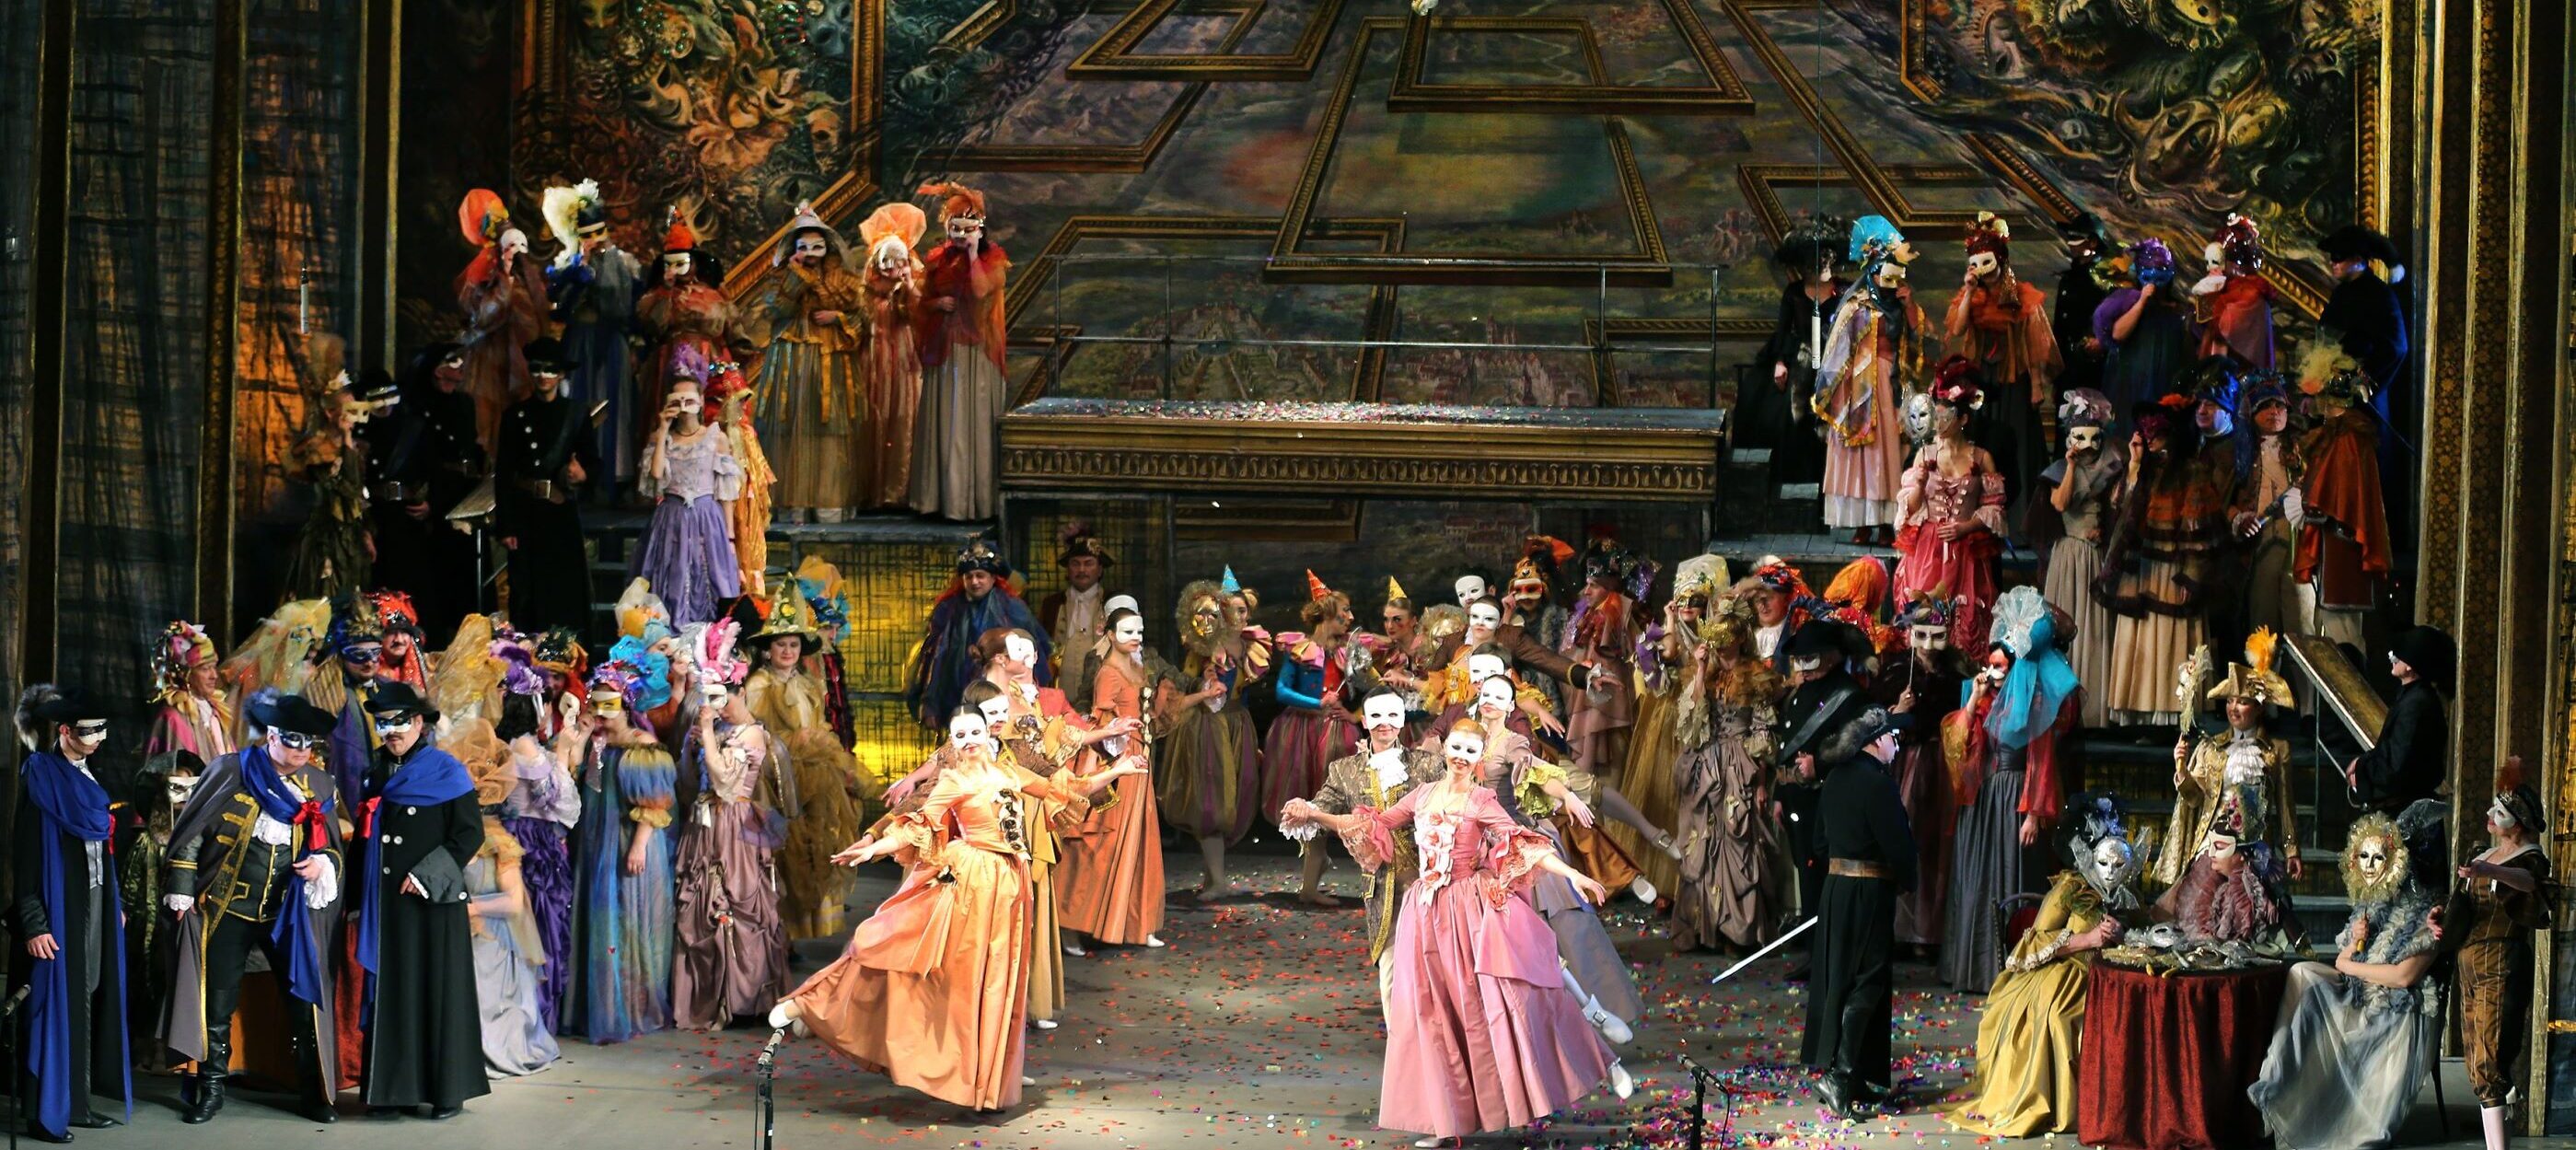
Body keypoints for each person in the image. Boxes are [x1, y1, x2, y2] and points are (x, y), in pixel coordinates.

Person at [767, 709, 1140, 1112]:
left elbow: (1062, 790)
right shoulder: (953, 781)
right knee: (950, 974)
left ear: (988, 733)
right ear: (953, 742)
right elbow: (916, 826)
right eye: (960, 735)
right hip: (972, 883)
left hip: (1009, 888)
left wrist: (1119, 769)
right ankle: (815, 1003)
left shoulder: (1009, 773)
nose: (969, 740)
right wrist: (874, 848)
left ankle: (987, 1080)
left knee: (997, 982)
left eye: (975, 731)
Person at [1282, 719, 1632, 1146]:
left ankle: (1603, 1060)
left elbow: (1521, 843)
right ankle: (1443, 1120)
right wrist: (1314, 813)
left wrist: (1572, 874)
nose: (1462, 757)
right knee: (1435, 1017)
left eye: (1471, 751)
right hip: (1426, 915)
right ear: (1445, 747)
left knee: (1519, 999)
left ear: (1479, 757)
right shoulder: (1422, 794)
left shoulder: (1482, 800)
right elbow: (1371, 825)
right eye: (1457, 748)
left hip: (1472, 911)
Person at [159, 690, 343, 1125]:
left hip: (289, 915)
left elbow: (333, 846)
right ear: (272, 736)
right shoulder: (231, 770)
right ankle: (211, 1090)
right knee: (216, 1002)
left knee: (303, 1001)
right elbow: (192, 832)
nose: (302, 751)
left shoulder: (320, 784)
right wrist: (181, 888)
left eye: (309, 743)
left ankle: (313, 1092)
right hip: (227, 907)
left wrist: (324, 863)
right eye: (293, 740)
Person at [2247, 806, 2443, 1149]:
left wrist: (2350, 966)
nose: (2371, 865)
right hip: (2360, 994)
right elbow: (2343, 960)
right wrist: (2354, 942)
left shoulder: (2432, 914)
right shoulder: (2375, 904)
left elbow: (2403, 977)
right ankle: (2277, 1078)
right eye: (2365, 857)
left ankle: (2304, 1098)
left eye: (2381, 857)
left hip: (2394, 1015)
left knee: (2315, 991)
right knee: (2301, 972)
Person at [1944, 795, 2139, 1136]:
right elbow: (2034, 940)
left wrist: (2121, 934)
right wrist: (2088, 939)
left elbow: (2143, 929)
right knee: (2062, 1018)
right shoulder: (2069, 888)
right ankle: (2067, 1106)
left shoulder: (2125, 892)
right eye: (2104, 860)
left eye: (2118, 862)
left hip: (2111, 974)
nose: (2112, 870)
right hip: (2065, 972)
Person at [349, 684, 487, 1119]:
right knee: (395, 993)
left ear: (418, 723)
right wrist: (353, 898)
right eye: (382, 723)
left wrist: (426, 875)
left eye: (399, 722)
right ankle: (395, 1092)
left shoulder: (447, 771)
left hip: (432, 905)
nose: (391, 731)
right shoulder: (374, 772)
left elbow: (469, 833)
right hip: (387, 906)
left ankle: (447, 1092)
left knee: (436, 990)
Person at [1938, 588, 2078, 993]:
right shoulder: (1980, 699)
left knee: (2011, 874)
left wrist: (2034, 812)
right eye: (1990, 664)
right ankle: (1974, 968)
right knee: (1976, 878)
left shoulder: (2032, 702)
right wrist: (1973, 701)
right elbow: (1957, 748)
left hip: (2015, 796)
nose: (1993, 671)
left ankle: (2011, 964)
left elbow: (2042, 757)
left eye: (2000, 665)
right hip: (1982, 800)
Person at [12, 688, 133, 1143]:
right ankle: (45, 1112)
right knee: (55, 1003)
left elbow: (100, 850)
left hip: (93, 903)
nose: (98, 739)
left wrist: (113, 905)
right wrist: (34, 923)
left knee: (86, 995)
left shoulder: (88, 776)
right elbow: (25, 855)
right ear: (65, 731)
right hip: (58, 909)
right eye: (89, 732)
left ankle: (76, 1104)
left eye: (103, 731)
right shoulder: (43, 775)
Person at [672, 630, 796, 1031]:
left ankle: (741, 999)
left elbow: (726, 783)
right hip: (705, 826)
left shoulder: (752, 734)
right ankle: (709, 999)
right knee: (701, 906)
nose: (718, 708)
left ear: (740, 692)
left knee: (736, 902)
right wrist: (694, 745)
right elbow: (689, 782)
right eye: (710, 700)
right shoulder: (720, 731)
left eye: (723, 699)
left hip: (734, 828)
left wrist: (708, 736)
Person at [1800, 706, 1916, 1118]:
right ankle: (1841, 1075)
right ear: (1876, 740)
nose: (1897, 746)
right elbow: (1898, 844)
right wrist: (1907, 877)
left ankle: (1855, 1075)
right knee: (1867, 979)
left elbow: (1819, 843)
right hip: (1868, 892)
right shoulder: (1878, 784)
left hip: (1837, 891)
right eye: (1893, 739)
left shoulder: (1834, 780)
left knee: (1842, 979)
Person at [2093, 399, 2236, 726]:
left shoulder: (2190, 471)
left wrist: (2191, 575)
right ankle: (2142, 714)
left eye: (2155, 433)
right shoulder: (2142, 469)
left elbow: (2198, 525)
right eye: (2146, 432)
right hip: (2142, 567)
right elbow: (2119, 508)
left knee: (2170, 639)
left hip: (2173, 571)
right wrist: (2133, 466)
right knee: (2141, 639)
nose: (2149, 438)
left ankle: (2172, 715)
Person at [1291, 690, 1444, 996]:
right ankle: (1397, 1028)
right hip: (1382, 884)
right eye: (1376, 716)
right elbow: (1323, 805)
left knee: (1433, 968)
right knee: (1390, 970)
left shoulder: (1427, 765)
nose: (1385, 723)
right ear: (1363, 721)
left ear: (1402, 719)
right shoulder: (1345, 770)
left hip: (1429, 881)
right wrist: (1304, 809)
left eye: (1392, 715)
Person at [741, 594, 862, 942]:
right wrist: (795, 741)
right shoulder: (759, 685)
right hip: (776, 774)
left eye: (794, 644)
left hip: (813, 773)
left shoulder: (808, 683)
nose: (788, 651)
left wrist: (822, 744)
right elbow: (757, 731)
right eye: (781, 644)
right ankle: (779, 932)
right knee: (783, 850)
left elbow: (819, 721)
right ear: (768, 650)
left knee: (814, 844)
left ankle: (801, 927)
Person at [570, 665, 679, 1043]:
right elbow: (580, 781)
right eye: (596, 704)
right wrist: (584, 736)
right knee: (604, 919)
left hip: (630, 841)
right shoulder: (599, 743)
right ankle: (603, 1004)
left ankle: (633, 1006)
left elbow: (656, 801)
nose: (601, 713)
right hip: (598, 841)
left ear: (626, 705)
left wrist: (639, 844)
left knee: (630, 919)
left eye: (609, 705)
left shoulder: (642, 745)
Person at [1669, 603, 1787, 953]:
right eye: (1714, 640)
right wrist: (1700, 669)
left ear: (1739, 638)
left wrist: (1761, 782)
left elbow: (1763, 732)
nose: (1720, 647)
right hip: (1704, 766)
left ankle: (1738, 932)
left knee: (1739, 840)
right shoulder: (1703, 673)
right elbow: (1691, 724)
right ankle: (1704, 928)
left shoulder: (1757, 676)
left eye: (1726, 639)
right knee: (1703, 844)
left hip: (1739, 766)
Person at [448, 720, 561, 1077]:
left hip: (493, 944)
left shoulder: (498, 843)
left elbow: (513, 903)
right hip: (463, 942)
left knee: (489, 999)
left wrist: (471, 908)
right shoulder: (450, 843)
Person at [1057, 608, 1170, 955]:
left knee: (1140, 838)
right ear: (1109, 634)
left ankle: (1138, 922)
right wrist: (1111, 759)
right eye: (1127, 631)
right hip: (1119, 757)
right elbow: (1102, 721)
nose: (1136, 637)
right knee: (1104, 842)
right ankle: (1072, 926)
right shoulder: (1108, 672)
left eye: (1139, 631)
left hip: (1138, 756)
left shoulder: (1135, 666)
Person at [2449, 760, 2549, 1150]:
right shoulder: (2483, 853)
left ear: (2518, 824)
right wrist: (2441, 917)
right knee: (2475, 1060)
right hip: (2469, 965)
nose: (2491, 815)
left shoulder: (2528, 859)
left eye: (2501, 812)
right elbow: (2464, 903)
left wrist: (2491, 872)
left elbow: (2529, 882)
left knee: (2489, 1061)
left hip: (2500, 965)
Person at [2158, 632, 2303, 889]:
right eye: (2230, 701)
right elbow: (2195, 799)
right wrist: (2181, 770)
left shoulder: (2278, 750)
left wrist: (2291, 850)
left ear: (2258, 708)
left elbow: (2285, 805)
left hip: (2255, 847)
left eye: (2243, 702)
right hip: (2213, 843)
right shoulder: (2210, 748)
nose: (2233, 708)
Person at [1944, 213, 2060, 529]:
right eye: (1975, 263)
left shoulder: (2021, 295)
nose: (1982, 269)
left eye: (1987, 261)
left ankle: (2022, 519)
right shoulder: (1972, 294)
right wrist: (1969, 291)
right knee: (1983, 438)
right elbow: (1958, 328)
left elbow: (2034, 345)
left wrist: (2036, 385)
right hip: (1981, 377)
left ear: (2000, 259)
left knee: (2019, 440)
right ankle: (1980, 514)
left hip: (2015, 377)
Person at [1814, 216, 1925, 546]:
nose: (1889, 284)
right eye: (1884, 276)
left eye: (1894, 277)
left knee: (1887, 455)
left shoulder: (1901, 306)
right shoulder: (1856, 307)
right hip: (1858, 387)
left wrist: (1909, 306)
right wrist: (1835, 392)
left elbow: (1919, 343)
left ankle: (1888, 522)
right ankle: (1862, 523)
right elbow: (1837, 352)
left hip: (1890, 383)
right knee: (1861, 455)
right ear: (1873, 273)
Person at [1619, 555, 1724, 898]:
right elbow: (1663, 659)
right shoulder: (1667, 633)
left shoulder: (1714, 635)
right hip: (1668, 721)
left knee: (1696, 798)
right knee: (1666, 792)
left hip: (1703, 717)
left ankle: (1697, 879)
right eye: (1683, 600)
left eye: (1696, 600)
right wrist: (1669, 620)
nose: (1688, 606)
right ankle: (1664, 880)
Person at [1160, 575, 1270, 900]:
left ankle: (1213, 878)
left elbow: (1244, 692)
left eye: (1244, 611)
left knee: (1235, 797)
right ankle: (1218, 881)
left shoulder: (1250, 648)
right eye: (1233, 610)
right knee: (1212, 802)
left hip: (1237, 724)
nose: (1240, 617)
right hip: (1208, 726)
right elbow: (1182, 688)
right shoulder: (1203, 649)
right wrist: (1204, 685)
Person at [754, 201, 866, 518]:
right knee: (789, 426)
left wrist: (837, 317)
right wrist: (796, 274)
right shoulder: (782, 275)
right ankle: (795, 505)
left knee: (830, 427)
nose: (811, 253)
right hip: (791, 361)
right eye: (803, 247)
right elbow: (776, 309)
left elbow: (861, 314)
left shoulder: (842, 277)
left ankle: (829, 502)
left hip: (831, 358)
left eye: (817, 246)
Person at [369, 343, 489, 640]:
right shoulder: (417, 407)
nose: (457, 371)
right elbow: (425, 461)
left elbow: (470, 446)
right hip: (434, 500)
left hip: (465, 495)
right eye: (449, 364)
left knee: (468, 576)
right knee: (435, 578)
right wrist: (432, 500)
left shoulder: (464, 404)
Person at [911, 180, 1010, 520]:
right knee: (945, 420)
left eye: (968, 227)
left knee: (971, 421)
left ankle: (973, 501)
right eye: (955, 227)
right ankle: (940, 499)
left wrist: (972, 253)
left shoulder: (993, 259)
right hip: (945, 348)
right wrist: (937, 303)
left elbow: (981, 292)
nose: (960, 234)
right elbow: (921, 302)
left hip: (978, 351)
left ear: (979, 228)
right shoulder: (937, 259)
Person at [1894, 357, 2007, 649]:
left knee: (1965, 617)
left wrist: (1965, 527)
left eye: (1945, 418)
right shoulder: (1924, 455)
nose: (1939, 424)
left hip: (1966, 550)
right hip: (1929, 548)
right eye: (1936, 418)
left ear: (1962, 420)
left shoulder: (1981, 457)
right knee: (1924, 613)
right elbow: (1910, 509)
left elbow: (1994, 509)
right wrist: (1920, 483)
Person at [1773, 621, 1874, 942]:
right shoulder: (1800, 692)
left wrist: (1820, 764)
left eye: (1810, 658)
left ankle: (1826, 946)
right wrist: (1780, 793)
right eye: (1799, 660)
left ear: (1831, 657)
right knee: (1806, 872)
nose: (1803, 667)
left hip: (1825, 799)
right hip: (1795, 797)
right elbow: (1786, 744)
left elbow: (1855, 749)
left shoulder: (1848, 696)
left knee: (1824, 874)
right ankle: (1813, 944)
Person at [1269, 573, 1365, 906]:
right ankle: (1310, 880)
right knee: (1309, 799)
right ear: (1326, 615)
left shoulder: (1349, 652)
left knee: (1328, 802)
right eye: (1344, 612)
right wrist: (1316, 703)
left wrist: (1355, 715)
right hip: (1302, 733)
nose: (1350, 617)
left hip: (1336, 733)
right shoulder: (1301, 650)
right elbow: (1282, 690)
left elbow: (1374, 688)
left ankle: (1313, 876)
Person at [539, 179, 642, 491]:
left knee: (613, 403)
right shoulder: (568, 264)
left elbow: (625, 307)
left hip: (611, 342)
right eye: (587, 235)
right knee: (579, 402)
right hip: (580, 340)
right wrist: (578, 270)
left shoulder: (622, 263)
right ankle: (576, 471)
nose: (595, 241)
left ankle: (614, 475)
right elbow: (558, 307)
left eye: (600, 233)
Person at [494, 336, 596, 634]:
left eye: (550, 369)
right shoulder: (514, 416)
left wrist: (583, 474)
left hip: (560, 513)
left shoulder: (576, 414)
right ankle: (526, 656)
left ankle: (567, 652)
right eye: (537, 368)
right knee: (525, 590)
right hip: (525, 513)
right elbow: (504, 472)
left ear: (561, 374)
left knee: (564, 590)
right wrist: (506, 525)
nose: (543, 375)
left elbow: (593, 461)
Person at [634, 208, 745, 477]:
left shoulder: (712, 294)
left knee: (711, 412)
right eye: (669, 263)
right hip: (669, 360)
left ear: (693, 262)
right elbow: (652, 326)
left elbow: (732, 326)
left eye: (681, 262)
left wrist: (742, 354)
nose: (675, 269)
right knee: (672, 410)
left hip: (712, 358)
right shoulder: (656, 297)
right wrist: (666, 290)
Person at [1885, 596, 1967, 953]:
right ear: (1909, 635)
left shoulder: (1957, 674)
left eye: (1937, 636)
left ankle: (1929, 931)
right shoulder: (1895, 672)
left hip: (1943, 763)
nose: (1929, 647)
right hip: (1907, 762)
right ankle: (1900, 930)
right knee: (1905, 837)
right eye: (1921, 636)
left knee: (1938, 845)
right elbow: (1878, 722)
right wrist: (1898, 710)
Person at [495, 694, 581, 1034]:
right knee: (540, 924)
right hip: (532, 839)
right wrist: (563, 753)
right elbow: (553, 797)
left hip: (514, 831)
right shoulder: (526, 745)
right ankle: (534, 1019)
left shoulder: (507, 741)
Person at [630, 374, 743, 626]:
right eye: (676, 400)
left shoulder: (716, 438)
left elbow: (726, 494)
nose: (683, 406)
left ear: (701, 400)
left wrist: (730, 537)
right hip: (672, 517)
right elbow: (656, 475)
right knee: (670, 576)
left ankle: (705, 637)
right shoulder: (662, 438)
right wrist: (662, 429)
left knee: (707, 577)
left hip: (706, 517)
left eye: (689, 399)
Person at [2292, 359, 2391, 649]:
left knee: (2343, 630)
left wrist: (2311, 503)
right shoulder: (2336, 437)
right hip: (2332, 544)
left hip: (2343, 545)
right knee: (2331, 625)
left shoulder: (2348, 440)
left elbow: (2342, 498)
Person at [2040, 390, 2123, 726]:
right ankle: (2060, 709)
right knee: (2066, 624)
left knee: (2094, 629)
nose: (2087, 445)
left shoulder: (2110, 468)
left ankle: (2092, 710)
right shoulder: (2060, 470)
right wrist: (2072, 465)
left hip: (2095, 557)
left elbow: (2118, 509)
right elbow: (2060, 503)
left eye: (2093, 437)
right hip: (2069, 556)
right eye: (2080, 436)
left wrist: (2105, 530)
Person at [905, 538, 1050, 729]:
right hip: (956, 695)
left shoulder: (1013, 609)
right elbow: (933, 658)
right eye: (969, 576)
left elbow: (1035, 653)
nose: (975, 582)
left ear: (993, 577)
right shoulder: (948, 610)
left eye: (980, 575)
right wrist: (930, 704)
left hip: (1006, 696)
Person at [453, 190, 548, 452]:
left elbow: (538, 309)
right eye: (493, 219)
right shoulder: (481, 270)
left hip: (523, 354)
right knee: (491, 423)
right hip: (492, 360)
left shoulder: (523, 266)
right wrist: (504, 280)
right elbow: (482, 316)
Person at [1756, 220, 1847, 489]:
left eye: (1826, 256)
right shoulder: (1794, 293)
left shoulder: (1844, 291)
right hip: (1805, 359)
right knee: (1798, 416)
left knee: (1832, 419)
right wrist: (1780, 362)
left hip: (1838, 361)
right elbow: (1783, 330)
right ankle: (1800, 480)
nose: (1821, 262)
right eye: (1815, 258)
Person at [854, 202, 928, 510]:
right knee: (872, 415)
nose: (891, 268)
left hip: (903, 358)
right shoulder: (867, 294)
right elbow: (857, 322)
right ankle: (869, 488)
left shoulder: (908, 290)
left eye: (898, 262)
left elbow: (922, 314)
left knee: (902, 415)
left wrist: (908, 285)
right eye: (886, 261)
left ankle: (898, 489)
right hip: (872, 359)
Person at [1562, 540, 1651, 780]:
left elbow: (1635, 660)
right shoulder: (1589, 616)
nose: (1586, 591)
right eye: (1587, 584)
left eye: (1594, 585)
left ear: (1609, 587)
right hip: (1590, 702)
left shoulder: (1615, 616)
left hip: (1612, 708)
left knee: (1612, 773)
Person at [2316, 225, 2409, 447]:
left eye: (2339, 257)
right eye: (2332, 257)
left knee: (2361, 454)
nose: (2333, 263)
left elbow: (2396, 347)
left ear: (2358, 259)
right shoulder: (2342, 293)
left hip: (2363, 401)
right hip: (2334, 393)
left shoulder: (2380, 295)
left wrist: (2363, 382)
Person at [2344, 625, 2454, 815]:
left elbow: (2396, 766)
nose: (2392, 657)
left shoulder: (2416, 704)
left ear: (2411, 664)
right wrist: (2363, 762)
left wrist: (2362, 771)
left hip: (2405, 813)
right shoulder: (2413, 697)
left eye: (2400, 654)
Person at [2091, 238, 2192, 417]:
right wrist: (2142, 301)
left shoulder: (2178, 309)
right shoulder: (2128, 300)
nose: (2155, 283)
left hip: (2166, 382)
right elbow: (2118, 334)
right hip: (2132, 383)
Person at [2188, 213, 2276, 369]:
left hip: (2239, 374)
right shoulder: (2232, 288)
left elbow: (2226, 330)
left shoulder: (2250, 293)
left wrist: (2209, 314)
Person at [1039, 529, 1114, 701]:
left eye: (1088, 563)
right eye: (1075, 563)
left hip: (1102, 688)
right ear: (1068, 569)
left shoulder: (1112, 602)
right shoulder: (1052, 604)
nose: (1082, 569)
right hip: (1059, 688)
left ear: (1100, 569)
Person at [2048, 214, 2115, 401]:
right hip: (2067, 365)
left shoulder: (2106, 280)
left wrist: (2099, 342)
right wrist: (2057, 377)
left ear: (2093, 242)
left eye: (2076, 238)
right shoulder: (2068, 279)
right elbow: (2060, 326)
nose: (2071, 243)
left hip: (2094, 366)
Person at [147, 620, 235, 761]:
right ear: (186, 675)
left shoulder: (214, 713)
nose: (214, 675)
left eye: (214, 667)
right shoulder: (173, 719)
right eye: (205, 669)